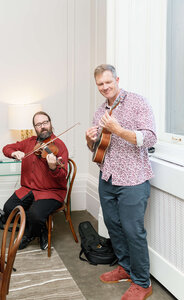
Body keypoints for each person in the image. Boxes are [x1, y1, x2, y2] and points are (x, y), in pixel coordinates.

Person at [86, 64, 157, 300]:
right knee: (113, 226)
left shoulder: (137, 102)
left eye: (108, 82)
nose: (105, 87)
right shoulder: (99, 112)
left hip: (134, 179)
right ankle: (125, 268)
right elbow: (99, 149)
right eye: (100, 84)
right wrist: (89, 141)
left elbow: (149, 137)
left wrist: (118, 129)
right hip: (107, 177)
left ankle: (142, 282)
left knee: (132, 230)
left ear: (117, 79)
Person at [2, 111, 68, 250]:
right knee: (8, 209)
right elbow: (6, 148)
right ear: (34, 127)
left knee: (35, 214)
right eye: (38, 124)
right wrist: (14, 153)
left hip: (51, 192)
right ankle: (41, 227)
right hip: (28, 189)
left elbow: (62, 178)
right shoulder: (29, 142)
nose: (43, 126)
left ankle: (30, 233)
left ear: (50, 123)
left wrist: (53, 167)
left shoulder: (59, 146)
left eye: (45, 122)